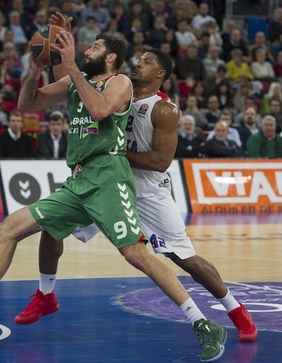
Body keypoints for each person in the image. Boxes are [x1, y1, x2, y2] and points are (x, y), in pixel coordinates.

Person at [0, 31, 227, 362]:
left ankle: (203, 323)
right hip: (79, 180)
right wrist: (35, 69)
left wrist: (71, 65)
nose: (89, 50)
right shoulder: (76, 81)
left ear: (111, 57)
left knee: (136, 254)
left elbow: (100, 110)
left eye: (96, 47)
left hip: (109, 177)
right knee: (9, 228)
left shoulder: (120, 84)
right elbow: (27, 103)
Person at [13, 24, 256, 348]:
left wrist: (112, 152)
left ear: (161, 74)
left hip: (147, 188)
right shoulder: (114, 85)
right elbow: (73, 85)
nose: (139, 63)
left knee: (184, 259)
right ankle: (45, 294)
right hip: (104, 181)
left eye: (147, 61)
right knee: (52, 227)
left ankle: (235, 309)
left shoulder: (164, 108)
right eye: (138, 59)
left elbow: (159, 161)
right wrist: (59, 43)